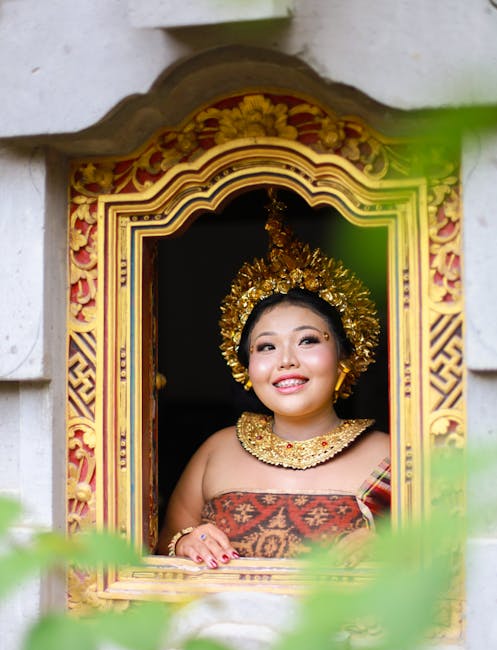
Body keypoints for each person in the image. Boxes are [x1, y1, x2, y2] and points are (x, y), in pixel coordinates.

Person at [157, 189, 390, 566]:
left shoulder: (390, 457)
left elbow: (445, 564)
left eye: (308, 341)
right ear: (246, 368)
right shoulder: (216, 451)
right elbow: (161, 547)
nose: (286, 360)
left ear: (345, 356)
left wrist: (391, 549)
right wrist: (188, 540)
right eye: (266, 347)